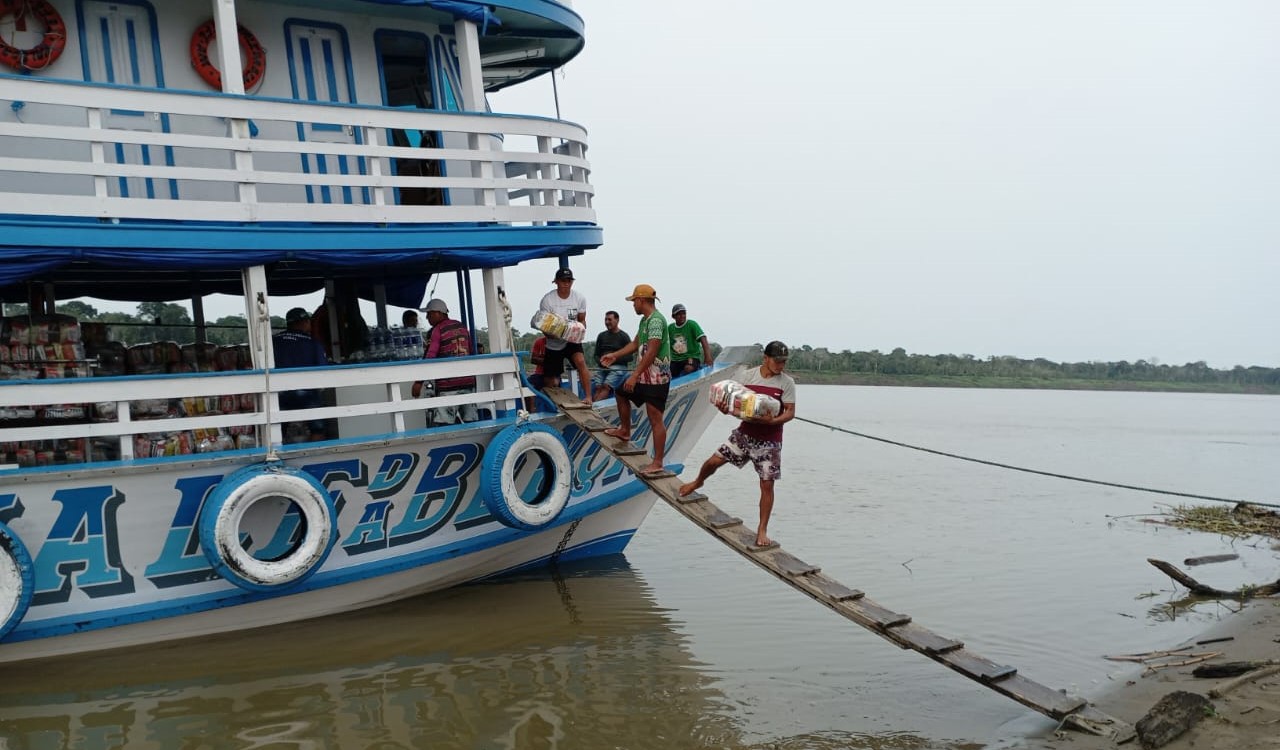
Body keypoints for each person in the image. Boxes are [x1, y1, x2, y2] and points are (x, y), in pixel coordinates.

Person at [679, 341, 796, 547]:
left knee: (767, 484)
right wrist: (725, 409)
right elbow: (736, 403)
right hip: (745, 434)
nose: (781, 366)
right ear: (765, 359)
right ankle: (698, 481)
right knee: (713, 462)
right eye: (777, 361)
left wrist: (773, 421)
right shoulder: (748, 376)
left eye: (784, 362)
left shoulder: (786, 383)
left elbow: (790, 412)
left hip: (769, 441)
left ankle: (762, 530)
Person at [599, 284, 670, 476]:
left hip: (656, 378)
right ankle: (625, 430)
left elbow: (653, 351)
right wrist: (614, 355)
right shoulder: (645, 321)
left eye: (634, 301)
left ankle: (658, 462)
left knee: (655, 418)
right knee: (621, 391)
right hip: (644, 375)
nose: (633, 305)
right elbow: (636, 344)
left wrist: (634, 374)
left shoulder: (656, 321)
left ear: (641, 300)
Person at [413, 298, 478, 425]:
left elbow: (430, 356)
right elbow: (471, 351)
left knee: (444, 424)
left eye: (429, 313)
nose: (427, 317)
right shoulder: (461, 326)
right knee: (471, 422)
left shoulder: (438, 330)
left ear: (438, 313)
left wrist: (418, 382)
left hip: (448, 386)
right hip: (468, 383)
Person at [272, 307, 330, 442]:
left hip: (278, 393)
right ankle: (316, 455)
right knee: (318, 428)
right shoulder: (312, 342)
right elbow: (323, 369)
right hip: (305, 393)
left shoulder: (273, 341)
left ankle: (279, 454)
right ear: (304, 322)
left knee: (278, 429)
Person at [537, 267, 592, 404]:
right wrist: (551, 334)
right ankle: (552, 402)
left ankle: (588, 397)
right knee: (551, 378)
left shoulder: (579, 298)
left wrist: (581, 328)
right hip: (554, 342)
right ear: (556, 282)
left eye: (569, 280)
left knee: (581, 362)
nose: (566, 283)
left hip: (572, 339)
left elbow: (582, 319)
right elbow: (544, 326)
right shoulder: (548, 300)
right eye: (563, 280)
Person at [591, 310, 632, 401]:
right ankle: (592, 406)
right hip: (602, 367)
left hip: (618, 367)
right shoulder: (601, 336)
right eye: (605, 320)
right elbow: (596, 355)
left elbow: (630, 357)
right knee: (597, 387)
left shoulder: (624, 336)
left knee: (606, 386)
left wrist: (614, 359)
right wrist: (601, 362)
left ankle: (595, 407)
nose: (607, 322)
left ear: (617, 320)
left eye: (609, 319)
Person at [668, 303, 713, 378]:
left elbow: (703, 338)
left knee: (688, 369)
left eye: (684, 313)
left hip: (691, 357)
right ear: (673, 316)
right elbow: (663, 342)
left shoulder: (692, 324)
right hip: (676, 359)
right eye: (679, 314)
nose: (682, 316)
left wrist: (708, 356)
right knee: (667, 373)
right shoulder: (670, 328)